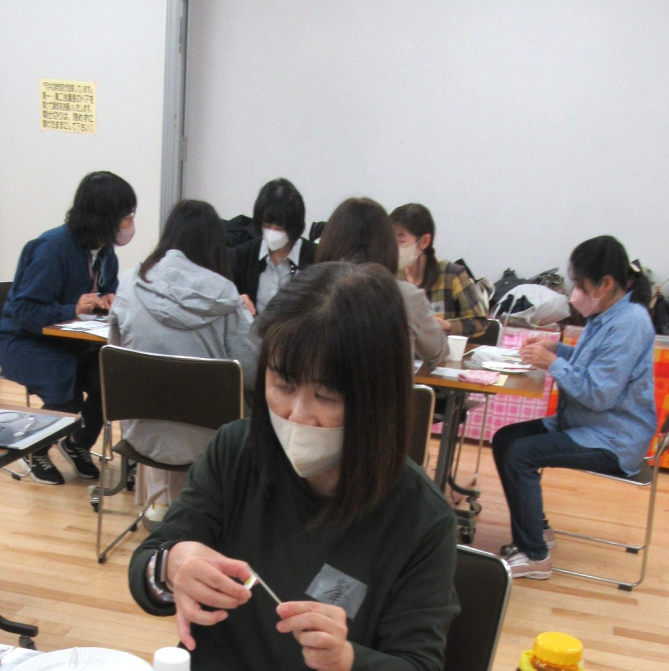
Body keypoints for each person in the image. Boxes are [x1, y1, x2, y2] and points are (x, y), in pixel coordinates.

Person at [128, 262, 458, 671]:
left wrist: (345, 660)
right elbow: (147, 566)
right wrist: (171, 564)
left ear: (377, 399)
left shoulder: (420, 517)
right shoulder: (236, 452)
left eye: (328, 397)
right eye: (283, 384)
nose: (298, 414)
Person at [492, 235, 655, 580]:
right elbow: (589, 364)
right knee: (506, 439)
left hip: (613, 439)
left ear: (605, 284)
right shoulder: (608, 314)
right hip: (588, 424)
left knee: (520, 454)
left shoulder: (630, 324)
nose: (574, 293)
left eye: (580, 285)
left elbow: (598, 394)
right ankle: (537, 530)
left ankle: (535, 556)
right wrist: (556, 349)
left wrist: (551, 362)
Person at [108, 198, 258, 523]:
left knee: (157, 399)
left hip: (140, 435)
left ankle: (159, 504)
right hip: (210, 444)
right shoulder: (226, 296)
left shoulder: (130, 282)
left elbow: (116, 360)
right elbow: (252, 372)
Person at [0, 170, 136, 485]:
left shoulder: (106, 253)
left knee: (108, 379)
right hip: (24, 342)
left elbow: (104, 293)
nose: (130, 222)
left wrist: (108, 301)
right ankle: (35, 449)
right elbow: (25, 312)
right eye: (126, 215)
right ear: (104, 216)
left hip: (70, 343)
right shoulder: (51, 248)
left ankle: (77, 444)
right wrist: (70, 309)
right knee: (65, 389)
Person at [314, 197, 446, 366]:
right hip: (386, 383)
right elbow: (437, 352)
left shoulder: (308, 288)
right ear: (386, 244)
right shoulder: (406, 296)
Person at [390, 203, 488, 340]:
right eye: (391, 241)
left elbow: (480, 324)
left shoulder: (452, 274)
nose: (394, 248)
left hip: (443, 351)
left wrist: (447, 325)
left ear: (424, 241)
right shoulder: (391, 276)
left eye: (401, 241)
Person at [229, 178, 316, 315]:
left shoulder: (316, 257)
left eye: (280, 228)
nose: (272, 233)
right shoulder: (242, 256)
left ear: (294, 226)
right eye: (267, 225)